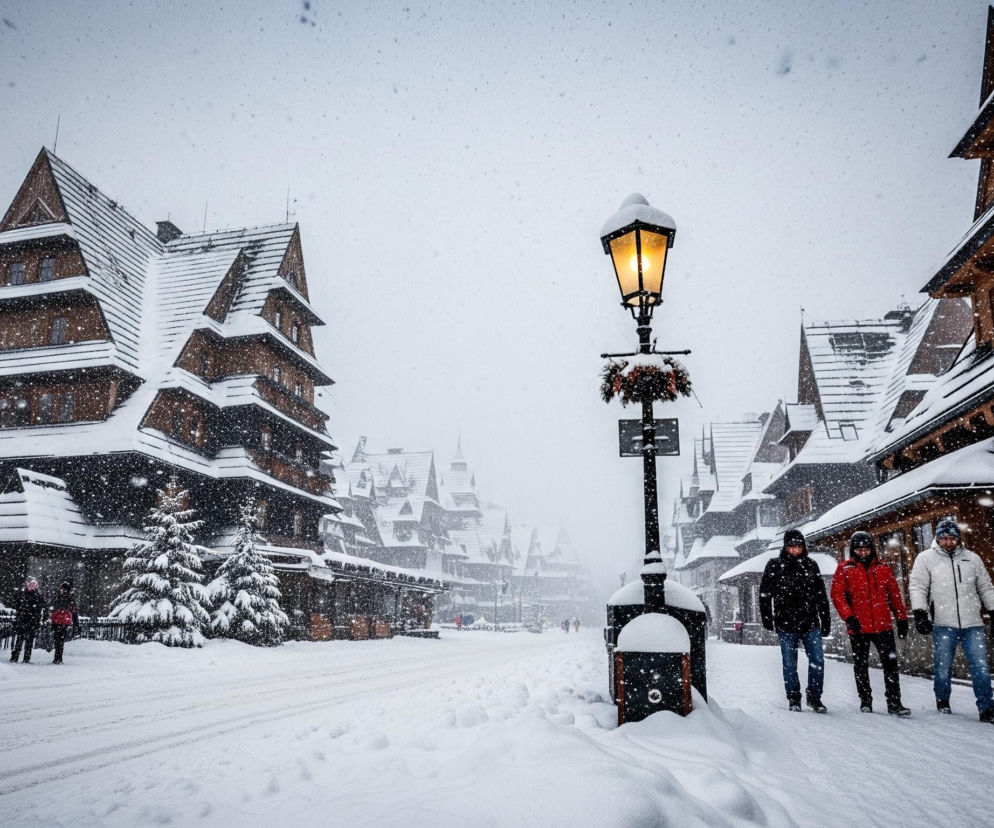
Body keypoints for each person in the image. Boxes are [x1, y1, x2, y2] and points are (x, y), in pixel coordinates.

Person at [909, 517, 994, 723]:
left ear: (958, 539)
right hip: (943, 623)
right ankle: (943, 700)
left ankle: (986, 707)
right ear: (937, 539)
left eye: (952, 538)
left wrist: (993, 610)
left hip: (973, 623)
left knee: (981, 667)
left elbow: (985, 587)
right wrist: (920, 612)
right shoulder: (925, 558)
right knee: (943, 666)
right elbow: (918, 586)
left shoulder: (972, 559)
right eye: (944, 538)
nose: (948, 542)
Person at [830, 531, 911, 716]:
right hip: (858, 626)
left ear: (872, 549)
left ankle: (894, 702)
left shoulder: (883, 567)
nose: (863, 553)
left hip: (883, 625)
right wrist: (849, 617)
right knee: (860, 665)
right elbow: (837, 595)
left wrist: (901, 618)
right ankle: (865, 701)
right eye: (859, 550)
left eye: (866, 549)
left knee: (890, 664)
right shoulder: (844, 569)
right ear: (853, 550)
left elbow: (894, 595)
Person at [760, 528, 831, 713]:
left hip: (810, 622)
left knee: (818, 661)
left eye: (798, 546)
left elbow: (821, 595)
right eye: (791, 546)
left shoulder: (811, 565)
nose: (795, 550)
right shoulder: (774, 565)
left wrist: (825, 619)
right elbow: (765, 594)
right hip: (785, 623)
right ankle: (794, 698)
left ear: (803, 547)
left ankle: (814, 697)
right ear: (785, 547)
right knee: (789, 664)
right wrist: (767, 617)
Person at [9, 577, 46, 664]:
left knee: (21, 641)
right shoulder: (36, 596)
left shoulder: (25, 595)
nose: (31, 587)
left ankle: (17, 657)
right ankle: (25, 658)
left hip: (25, 621)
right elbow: (41, 608)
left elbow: (17, 605)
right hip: (29, 621)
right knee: (26, 641)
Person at [49, 581, 80, 665]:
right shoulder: (70, 598)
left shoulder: (58, 597)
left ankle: (57, 657)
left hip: (57, 621)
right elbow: (74, 611)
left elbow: (53, 609)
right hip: (64, 622)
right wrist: (76, 623)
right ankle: (59, 657)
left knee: (57, 640)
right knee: (60, 640)